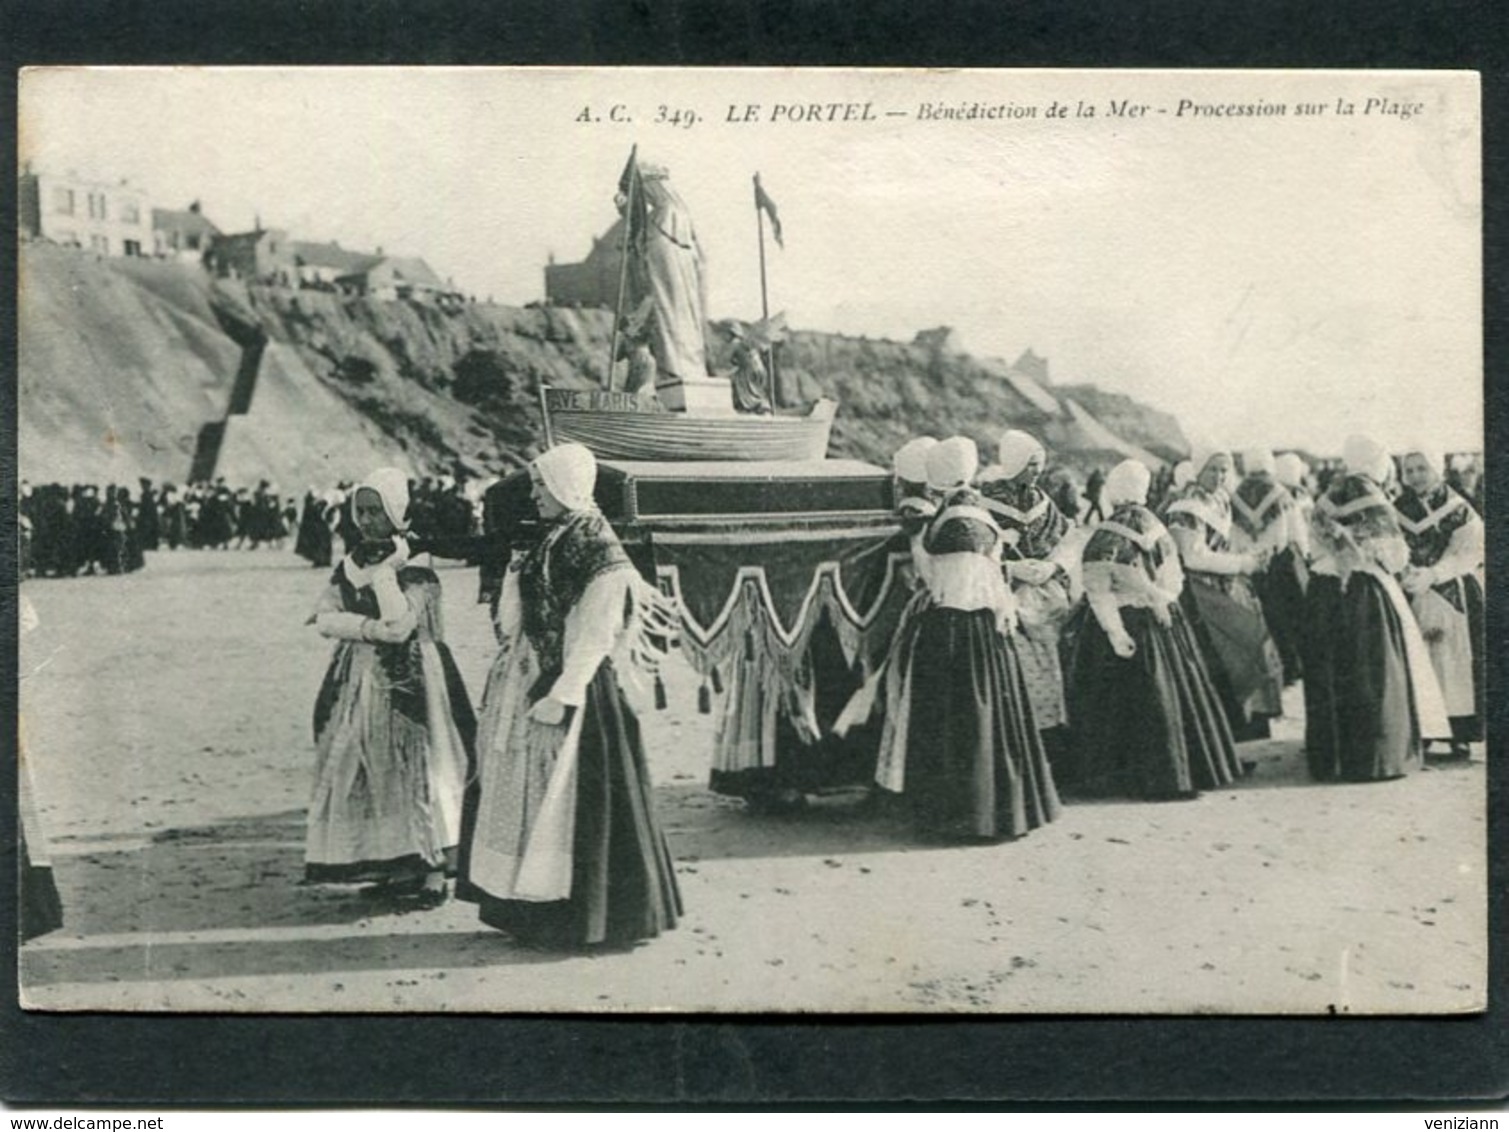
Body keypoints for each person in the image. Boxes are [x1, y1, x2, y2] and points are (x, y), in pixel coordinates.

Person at [459, 443, 682, 948]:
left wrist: (565, 693)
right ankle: (530, 911)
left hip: (578, 692)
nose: (534, 494)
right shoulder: (551, 539)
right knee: (530, 800)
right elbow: (513, 625)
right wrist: (515, 572)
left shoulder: (600, 551)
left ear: (566, 487)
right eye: (535, 484)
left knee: (571, 802)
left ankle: (584, 919)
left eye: (541, 485)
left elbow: (596, 634)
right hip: (534, 678)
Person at [304, 468, 474, 907]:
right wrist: (365, 626)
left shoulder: (413, 561)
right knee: (371, 766)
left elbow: (401, 627)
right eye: (361, 511)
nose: (367, 520)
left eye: (376, 510)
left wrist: (382, 585)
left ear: (397, 510)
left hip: (414, 677)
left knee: (420, 766)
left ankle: (433, 869)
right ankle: (392, 860)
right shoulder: (355, 559)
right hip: (359, 676)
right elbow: (323, 615)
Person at [884, 437, 1061, 841]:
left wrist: (915, 542)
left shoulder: (953, 521)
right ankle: (1003, 810)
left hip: (954, 626)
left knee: (959, 723)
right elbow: (993, 574)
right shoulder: (978, 511)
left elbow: (943, 580)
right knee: (993, 720)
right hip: (987, 628)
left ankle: (964, 816)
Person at [1064, 460, 1241, 798]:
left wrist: (1116, 633)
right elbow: (1174, 578)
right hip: (1164, 621)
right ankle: (1182, 769)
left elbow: (1099, 593)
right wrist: (1160, 599)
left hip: (1125, 621)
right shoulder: (1156, 526)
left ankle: (1120, 774)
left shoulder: (1104, 535)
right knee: (1174, 697)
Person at [1304, 435, 1450, 782]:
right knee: (1373, 675)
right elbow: (1394, 553)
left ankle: (1330, 759)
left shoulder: (1330, 492)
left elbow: (1316, 541)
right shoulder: (1370, 494)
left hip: (1324, 590)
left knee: (1329, 674)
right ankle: (1372, 758)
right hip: (1362, 591)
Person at [1163, 447, 1284, 743]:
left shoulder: (1219, 501)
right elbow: (1193, 557)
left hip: (1224, 587)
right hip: (1198, 594)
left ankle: (1245, 730)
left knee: (1248, 649)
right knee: (1218, 661)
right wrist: (1242, 563)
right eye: (1212, 469)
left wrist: (1245, 556)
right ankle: (1222, 739)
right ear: (1198, 470)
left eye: (1223, 470)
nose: (1219, 476)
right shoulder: (1185, 507)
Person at [978, 430, 1075, 773]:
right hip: (1010, 598)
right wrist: (1011, 568)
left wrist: (1053, 566)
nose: (1036, 471)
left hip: (1047, 598)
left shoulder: (1043, 502)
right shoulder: (985, 501)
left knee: (1055, 672)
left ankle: (1056, 750)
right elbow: (977, 557)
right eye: (1030, 464)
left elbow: (1066, 542)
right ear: (1014, 463)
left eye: (1039, 464)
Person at [1395, 444, 1484, 759]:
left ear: (1437, 469)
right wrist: (1405, 573)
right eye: (1410, 470)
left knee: (1453, 659)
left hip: (1451, 590)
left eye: (1422, 469)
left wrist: (1435, 573)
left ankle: (1459, 732)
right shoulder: (1396, 508)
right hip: (1411, 593)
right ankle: (1425, 731)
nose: (1416, 476)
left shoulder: (1458, 506)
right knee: (1418, 658)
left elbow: (1470, 550)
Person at [618, 160, 710, 410]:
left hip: (668, 290)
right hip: (676, 287)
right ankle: (678, 370)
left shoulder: (664, 214)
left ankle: (674, 371)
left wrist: (633, 230)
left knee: (670, 323)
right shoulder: (677, 214)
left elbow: (650, 250)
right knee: (678, 328)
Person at [1230, 447, 1309, 686]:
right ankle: (1290, 667)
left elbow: (1231, 531)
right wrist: (1304, 554)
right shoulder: (1280, 492)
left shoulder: (1236, 494)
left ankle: (1266, 669)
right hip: (1278, 563)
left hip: (1247, 562)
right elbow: (1296, 531)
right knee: (1285, 616)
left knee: (1259, 616)